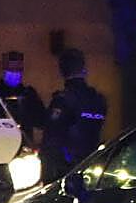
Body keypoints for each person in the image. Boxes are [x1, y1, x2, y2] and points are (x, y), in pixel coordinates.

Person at [40, 48, 108, 181]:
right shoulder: (98, 99)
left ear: (62, 71)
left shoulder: (63, 100)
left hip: (66, 168)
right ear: (84, 69)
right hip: (92, 162)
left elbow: (52, 137)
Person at [0, 51, 45, 145]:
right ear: (2, 69)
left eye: (18, 69)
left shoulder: (29, 94)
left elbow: (41, 121)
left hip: (25, 142)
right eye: (11, 69)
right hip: (2, 142)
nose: (15, 72)